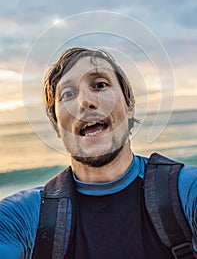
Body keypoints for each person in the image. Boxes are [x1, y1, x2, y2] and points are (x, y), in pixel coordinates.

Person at [0, 46, 196, 259]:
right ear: (56, 124)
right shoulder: (21, 218)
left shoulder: (185, 191)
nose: (85, 102)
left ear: (129, 105)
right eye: (68, 94)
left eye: (100, 85)